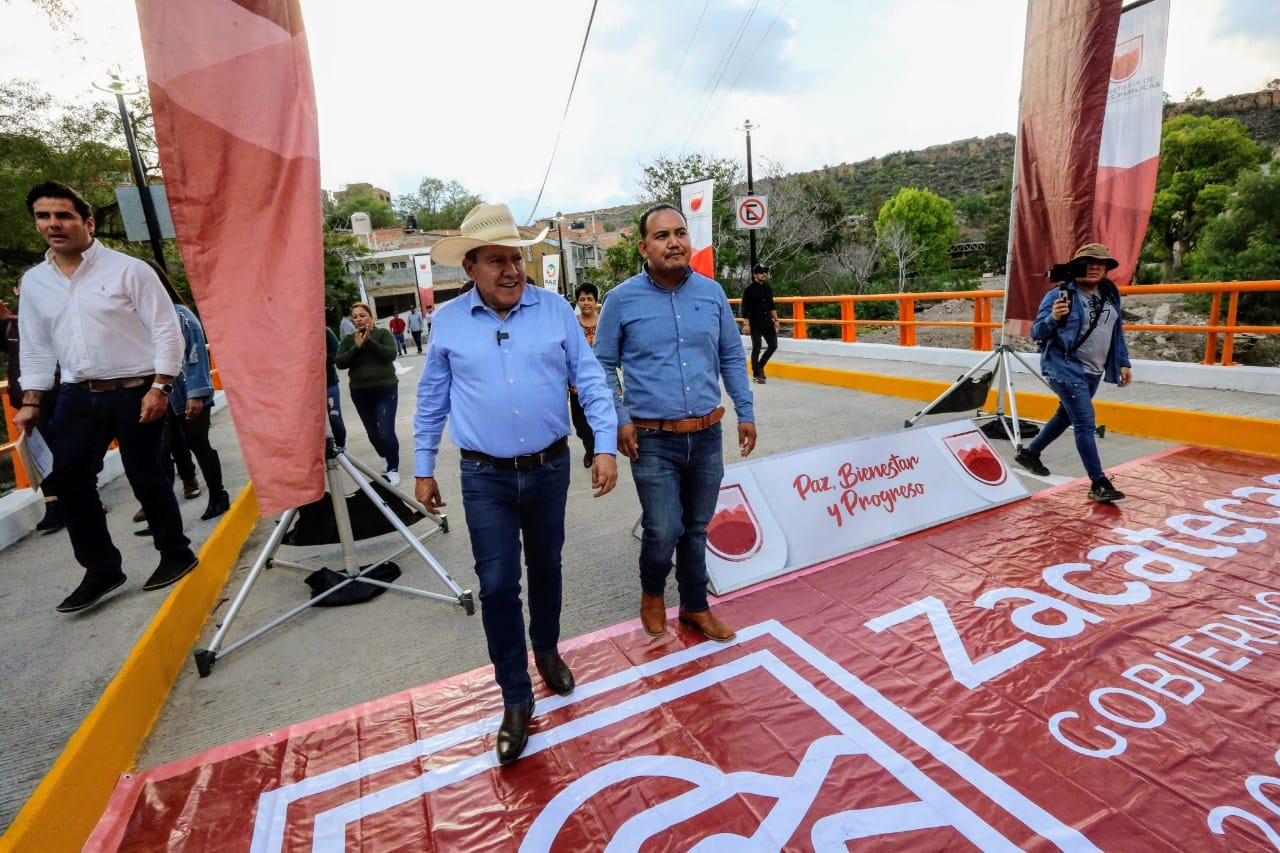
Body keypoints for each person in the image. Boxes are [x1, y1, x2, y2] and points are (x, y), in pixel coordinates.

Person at [413, 202, 618, 766]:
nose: (510, 270)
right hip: (483, 476)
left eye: (516, 258)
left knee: (547, 566)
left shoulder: (555, 312)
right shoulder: (448, 322)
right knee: (498, 584)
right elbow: (432, 398)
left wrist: (602, 444)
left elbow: (591, 380)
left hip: (549, 468)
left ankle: (546, 649)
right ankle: (515, 696)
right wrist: (424, 465)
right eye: (496, 260)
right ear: (470, 268)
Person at [14, 181, 197, 613]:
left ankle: (176, 553)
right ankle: (101, 568)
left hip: (137, 390)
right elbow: (36, 345)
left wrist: (161, 385)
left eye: (64, 215)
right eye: (44, 216)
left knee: (147, 476)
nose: (53, 224)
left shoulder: (129, 270)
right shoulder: (35, 282)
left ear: (87, 222)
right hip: (77, 395)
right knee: (70, 481)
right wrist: (32, 400)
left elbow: (166, 329)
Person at [594, 203, 756, 644]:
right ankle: (652, 595)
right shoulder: (621, 300)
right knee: (664, 527)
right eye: (662, 236)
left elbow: (730, 357)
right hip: (651, 438)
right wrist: (620, 420)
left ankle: (694, 607)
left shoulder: (712, 293)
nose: (674, 242)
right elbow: (602, 366)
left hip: (707, 433)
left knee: (698, 527)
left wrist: (746, 411)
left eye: (680, 233)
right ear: (645, 247)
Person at [1014, 242, 1132, 503]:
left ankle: (1030, 454)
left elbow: (1116, 332)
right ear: (1074, 267)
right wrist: (1053, 318)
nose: (1093, 267)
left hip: (1094, 370)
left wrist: (1123, 362)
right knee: (1085, 422)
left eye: (1099, 263)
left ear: (1106, 269)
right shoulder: (1059, 296)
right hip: (1064, 366)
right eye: (1087, 263)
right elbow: (1036, 333)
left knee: (1065, 415)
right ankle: (1098, 482)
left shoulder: (1109, 295)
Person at [155, 264, 230, 522]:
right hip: (162, 397)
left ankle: (218, 495)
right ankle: (162, 514)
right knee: (162, 450)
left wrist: (195, 394)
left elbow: (196, 356)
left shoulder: (181, 315)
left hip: (188, 392)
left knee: (198, 444)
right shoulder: (143, 319)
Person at [1, 292, 63, 533]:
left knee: (65, 450)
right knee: (40, 453)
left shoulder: (52, 319)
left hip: (59, 396)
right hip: (26, 402)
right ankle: (53, 508)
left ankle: (83, 502)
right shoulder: (11, 328)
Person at [335, 302, 401, 485]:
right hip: (360, 392)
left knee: (386, 431)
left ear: (370, 317)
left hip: (385, 390)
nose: (359, 319)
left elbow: (390, 355)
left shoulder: (382, 334)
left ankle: (393, 468)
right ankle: (385, 456)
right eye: (355, 317)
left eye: (362, 315)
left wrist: (369, 341)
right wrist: (356, 347)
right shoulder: (348, 340)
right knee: (373, 433)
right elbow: (340, 363)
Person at [568, 282, 601, 467]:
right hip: (577, 383)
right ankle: (590, 447)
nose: (586, 302)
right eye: (582, 299)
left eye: (590, 299)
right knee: (581, 423)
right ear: (577, 302)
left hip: (602, 381)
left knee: (601, 418)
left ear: (596, 301)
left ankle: (599, 452)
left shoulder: (605, 322)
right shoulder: (572, 324)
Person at [740, 263, 780, 384]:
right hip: (755, 323)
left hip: (767, 321)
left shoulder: (768, 288)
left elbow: (771, 305)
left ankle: (760, 365)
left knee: (773, 345)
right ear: (755, 274)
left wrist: (776, 320)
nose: (764, 274)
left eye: (765, 272)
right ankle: (757, 374)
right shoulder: (749, 290)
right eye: (761, 272)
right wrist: (746, 324)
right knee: (756, 347)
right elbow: (745, 309)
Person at [325, 326, 348, 449]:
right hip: (308, 387)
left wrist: (317, 357)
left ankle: (341, 445)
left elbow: (336, 353)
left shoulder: (325, 332)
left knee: (334, 417)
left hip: (329, 384)